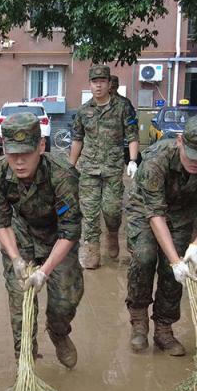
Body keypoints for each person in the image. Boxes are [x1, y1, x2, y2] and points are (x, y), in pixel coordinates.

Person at [0, 112, 83, 366]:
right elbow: (0, 222)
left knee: (65, 302)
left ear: (41, 146)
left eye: (25, 153)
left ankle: (59, 333)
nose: (18, 162)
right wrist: (16, 259)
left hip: (57, 237)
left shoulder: (62, 174)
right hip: (20, 237)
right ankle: (25, 362)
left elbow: (70, 230)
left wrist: (44, 271)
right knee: (21, 307)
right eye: (12, 153)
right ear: (4, 147)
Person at [125, 116, 197, 355]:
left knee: (174, 275)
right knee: (144, 257)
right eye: (191, 156)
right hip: (145, 209)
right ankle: (139, 321)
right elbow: (155, 215)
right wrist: (174, 260)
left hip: (183, 212)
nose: (196, 163)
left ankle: (164, 328)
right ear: (180, 141)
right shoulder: (157, 160)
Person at [69, 65, 139, 269]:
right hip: (89, 168)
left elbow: (133, 135)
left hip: (112, 167)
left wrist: (133, 160)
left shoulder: (123, 107)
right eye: (94, 81)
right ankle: (92, 251)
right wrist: (70, 167)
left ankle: (113, 233)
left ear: (109, 84)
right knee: (89, 212)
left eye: (102, 81)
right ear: (90, 84)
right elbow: (77, 139)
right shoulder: (84, 110)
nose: (98, 85)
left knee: (112, 210)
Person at [111, 74, 140, 165]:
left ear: (117, 87)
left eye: (113, 87)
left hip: (121, 142)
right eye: (110, 87)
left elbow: (132, 125)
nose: (111, 90)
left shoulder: (124, 103)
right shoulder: (99, 102)